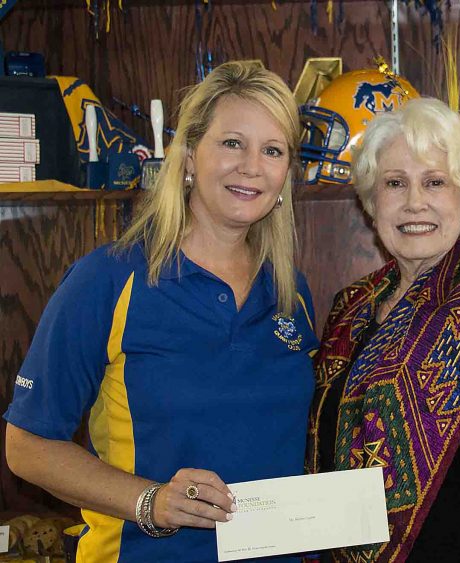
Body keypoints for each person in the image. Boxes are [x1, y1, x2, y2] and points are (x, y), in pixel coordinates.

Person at [4, 61, 318, 562]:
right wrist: (151, 502)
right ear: (190, 156)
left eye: (272, 150)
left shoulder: (291, 293)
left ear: (285, 175)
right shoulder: (107, 281)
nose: (251, 166)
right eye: (232, 143)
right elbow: (26, 445)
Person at [308, 97, 460, 563]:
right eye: (395, 183)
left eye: (435, 182)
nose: (415, 201)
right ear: (372, 203)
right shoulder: (349, 310)